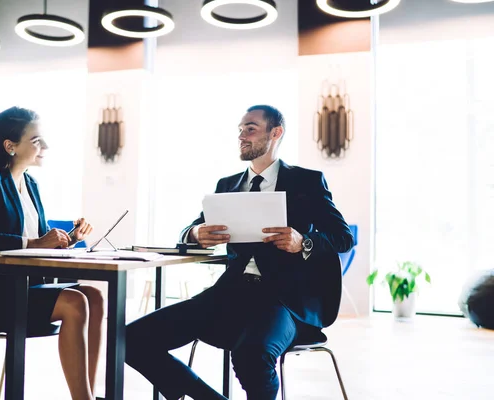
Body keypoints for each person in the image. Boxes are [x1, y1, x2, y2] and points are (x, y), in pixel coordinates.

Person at [125, 105, 354, 400]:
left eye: (251, 128)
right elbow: (192, 229)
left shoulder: (306, 182)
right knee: (131, 338)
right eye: (240, 130)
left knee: (251, 355)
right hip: (230, 294)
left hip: (285, 302)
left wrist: (304, 242)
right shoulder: (227, 185)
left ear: (276, 133)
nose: (242, 136)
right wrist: (195, 233)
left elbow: (343, 238)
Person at [0, 106, 103, 400]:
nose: (45, 147)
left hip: (24, 285)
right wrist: (36, 245)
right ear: (10, 146)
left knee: (95, 296)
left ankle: (88, 392)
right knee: (75, 301)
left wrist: (69, 239)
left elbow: (38, 239)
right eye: (37, 140)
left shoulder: (31, 183)